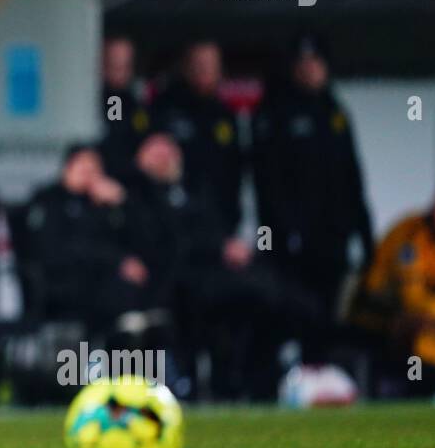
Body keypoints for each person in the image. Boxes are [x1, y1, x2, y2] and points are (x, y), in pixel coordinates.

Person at [127, 133, 320, 399]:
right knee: (250, 297)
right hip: (179, 282)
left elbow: (215, 231)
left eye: (170, 153)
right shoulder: (135, 198)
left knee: (277, 298)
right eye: (157, 155)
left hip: (218, 277)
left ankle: (279, 373)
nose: (165, 159)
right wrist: (217, 247)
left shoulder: (195, 190)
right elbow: (167, 245)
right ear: (141, 161)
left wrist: (227, 246)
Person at [252, 32, 372, 336]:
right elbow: (267, 183)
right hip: (291, 244)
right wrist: (284, 232)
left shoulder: (335, 111)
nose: (310, 70)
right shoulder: (275, 112)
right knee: (295, 313)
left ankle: (327, 375)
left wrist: (365, 232)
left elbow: (352, 177)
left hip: (333, 238)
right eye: (303, 63)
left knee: (334, 315)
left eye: (315, 62)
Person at [17, 144, 152, 341]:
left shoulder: (102, 203)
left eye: (94, 170)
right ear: (67, 168)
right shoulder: (48, 199)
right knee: (118, 296)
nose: (89, 175)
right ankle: (105, 362)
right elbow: (59, 248)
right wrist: (117, 260)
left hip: (100, 280)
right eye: (83, 168)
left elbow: (139, 238)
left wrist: (123, 201)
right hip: (58, 283)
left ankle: (138, 360)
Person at [354, 177, 435, 395]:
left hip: (427, 312)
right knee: (419, 323)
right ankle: (418, 387)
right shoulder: (412, 237)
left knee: (431, 321)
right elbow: (412, 301)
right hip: (378, 309)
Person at [149, 41, 243, 234]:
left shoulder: (224, 114)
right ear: (186, 67)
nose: (205, 71)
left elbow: (234, 170)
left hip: (219, 216)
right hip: (174, 217)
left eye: (210, 65)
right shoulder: (165, 109)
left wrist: (233, 216)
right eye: (199, 64)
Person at [98, 35, 150, 181]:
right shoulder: (113, 99)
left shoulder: (134, 98)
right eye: (114, 63)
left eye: (126, 64)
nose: (121, 70)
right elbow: (116, 139)